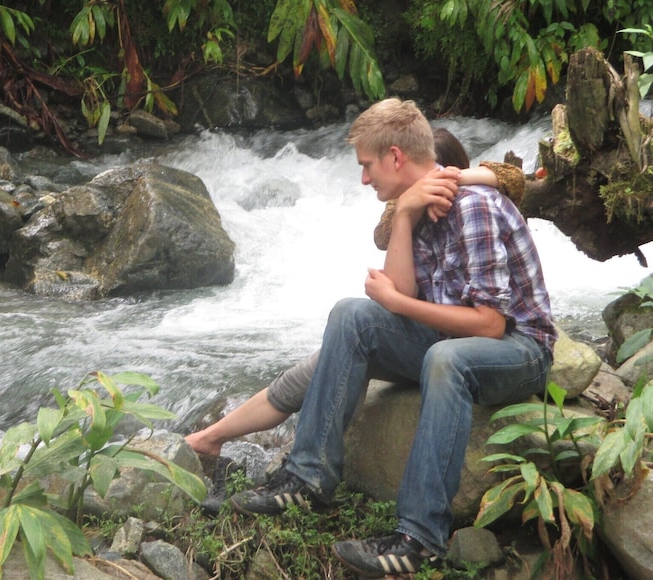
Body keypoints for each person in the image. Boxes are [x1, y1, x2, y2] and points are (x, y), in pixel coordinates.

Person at [215, 98, 557, 578]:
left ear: (395, 157)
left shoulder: (473, 206)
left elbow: (490, 325)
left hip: (520, 350)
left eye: (367, 165)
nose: (363, 179)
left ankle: (418, 538)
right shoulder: (413, 204)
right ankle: (306, 479)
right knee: (352, 315)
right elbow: (398, 293)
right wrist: (404, 216)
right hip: (448, 337)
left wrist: (398, 303)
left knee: (446, 359)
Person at [184, 127, 526, 459]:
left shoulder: (477, 210)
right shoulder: (403, 210)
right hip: (422, 336)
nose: (364, 179)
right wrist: (408, 208)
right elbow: (382, 237)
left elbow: (512, 177)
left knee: (344, 345)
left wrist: (454, 181)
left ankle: (245, 446)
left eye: (440, 175)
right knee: (316, 365)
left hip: (465, 345)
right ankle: (212, 437)